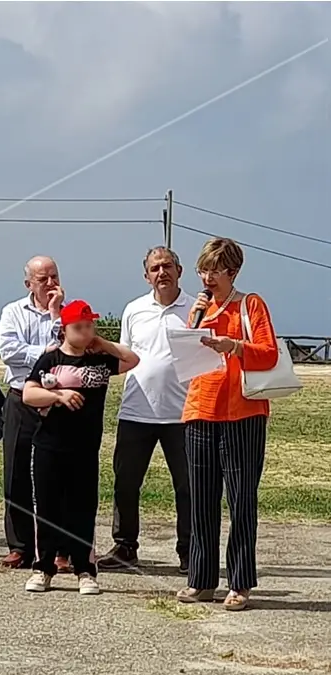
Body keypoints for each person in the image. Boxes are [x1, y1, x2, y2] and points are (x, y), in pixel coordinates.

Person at [177, 237, 281, 612]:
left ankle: (240, 582)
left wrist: (234, 346)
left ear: (232, 272)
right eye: (202, 269)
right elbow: (188, 350)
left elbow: (268, 353)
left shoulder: (249, 305)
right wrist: (198, 321)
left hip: (243, 412)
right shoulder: (199, 309)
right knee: (201, 499)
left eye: (214, 270)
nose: (206, 277)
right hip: (200, 409)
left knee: (240, 501)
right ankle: (201, 579)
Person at [20, 300, 139, 596]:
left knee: (83, 508)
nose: (85, 332)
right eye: (79, 327)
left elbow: (132, 359)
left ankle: (85, 569)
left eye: (89, 326)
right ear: (65, 329)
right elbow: (28, 394)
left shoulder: (99, 360)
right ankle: (43, 567)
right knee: (47, 506)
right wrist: (59, 396)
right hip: (49, 445)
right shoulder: (51, 360)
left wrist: (101, 342)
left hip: (85, 448)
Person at [99, 247, 197, 573]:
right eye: (155, 268)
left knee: (187, 486)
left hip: (182, 414)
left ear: (179, 271)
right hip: (136, 412)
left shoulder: (196, 308)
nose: (162, 273)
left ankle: (189, 551)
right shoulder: (134, 310)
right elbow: (127, 356)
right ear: (146, 276)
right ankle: (125, 547)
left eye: (167, 266)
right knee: (125, 483)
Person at [0, 255, 66, 569]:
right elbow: (9, 351)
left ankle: (62, 549)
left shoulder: (70, 313)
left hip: (58, 401)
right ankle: (21, 546)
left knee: (60, 477)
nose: (51, 283)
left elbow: (70, 351)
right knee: (16, 472)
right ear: (29, 284)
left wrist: (55, 316)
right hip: (21, 398)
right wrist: (48, 353)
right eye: (43, 279)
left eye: (54, 276)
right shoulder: (12, 312)